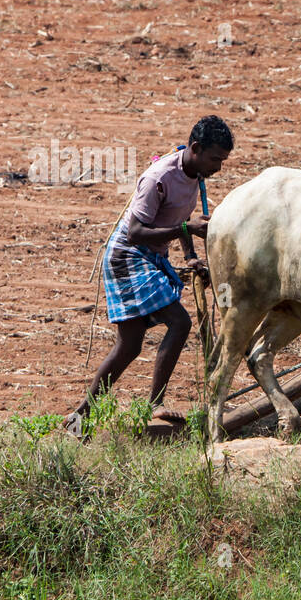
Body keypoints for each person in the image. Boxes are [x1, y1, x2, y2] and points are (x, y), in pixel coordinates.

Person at [65, 115, 233, 434]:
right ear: (196, 148)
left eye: (222, 160)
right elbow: (138, 231)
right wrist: (187, 228)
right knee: (180, 322)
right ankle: (155, 403)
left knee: (129, 347)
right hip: (127, 255)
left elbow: (178, 217)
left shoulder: (196, 174)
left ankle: (78, 418)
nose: (218, 168)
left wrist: (192, 256)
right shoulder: (159, 176)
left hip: (150, 254)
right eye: (215, 159)